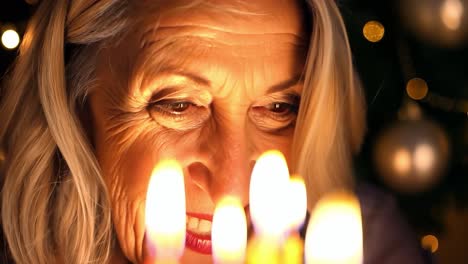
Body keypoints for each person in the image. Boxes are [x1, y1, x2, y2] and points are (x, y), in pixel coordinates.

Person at [0, 0, 429, 263]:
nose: (232, 184)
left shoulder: (362, 241)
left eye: (279, 108)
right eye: (178, 106)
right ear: (71, 102)